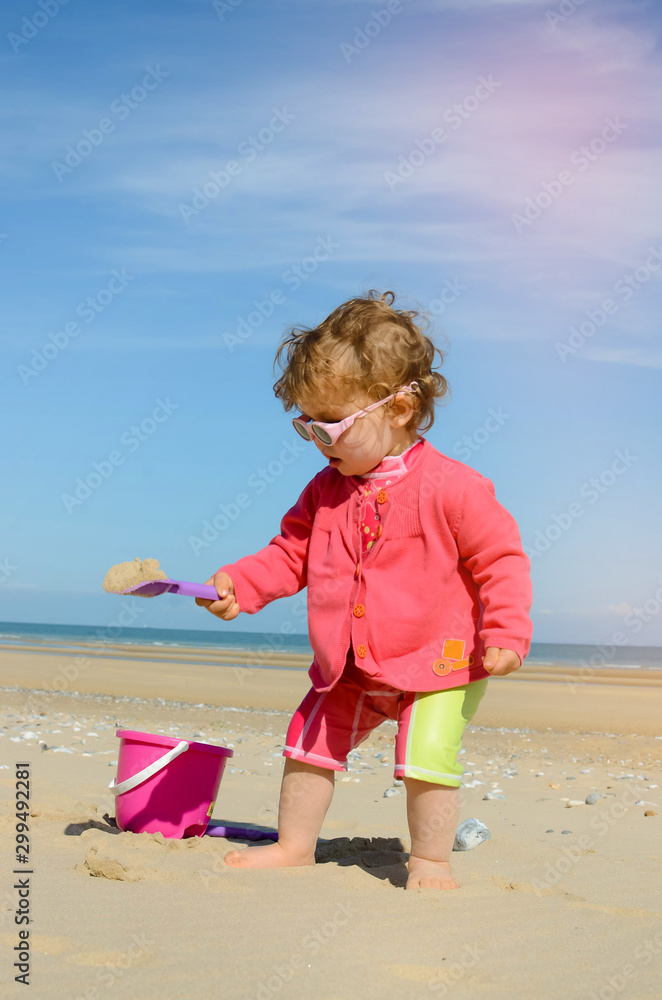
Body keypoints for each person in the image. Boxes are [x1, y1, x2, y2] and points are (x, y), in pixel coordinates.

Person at [196, 289, 533, 890]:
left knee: (427, 757)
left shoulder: (455, 488)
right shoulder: (324, 490)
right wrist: (240, 586)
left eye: (333, 425)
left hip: (442, 658)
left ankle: (430, 861)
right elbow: (290, 552)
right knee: (307, 744)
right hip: (347, 661)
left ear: (400, 408)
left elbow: (499, 560)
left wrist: (506, 632)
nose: (320, 441)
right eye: (307, 425)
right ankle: (295, 847)